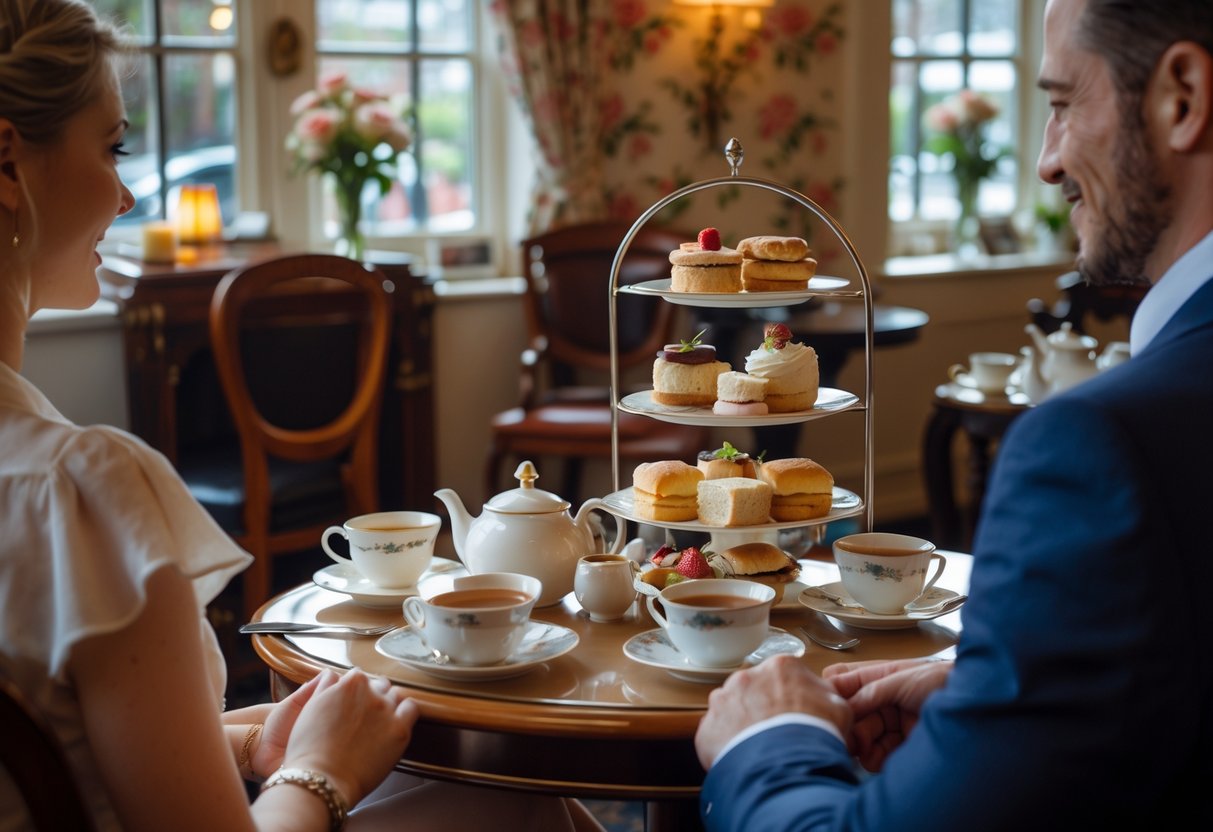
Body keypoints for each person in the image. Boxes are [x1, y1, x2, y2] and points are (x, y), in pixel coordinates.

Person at [0, 2, 602, 830]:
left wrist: (246, 743)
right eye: (113, 148)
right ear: (7, 162)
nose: (130, 192)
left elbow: (65, 746)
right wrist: (321, 770)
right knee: (518, 803)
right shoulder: (75, 487)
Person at [694, 0, 1213, 828]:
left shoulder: (1098, 447)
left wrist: (770, 739)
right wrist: (1014, 695)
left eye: (1059, 104)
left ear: (1181, 96)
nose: (1045, 162)